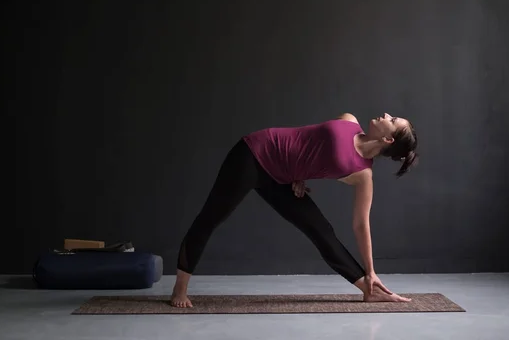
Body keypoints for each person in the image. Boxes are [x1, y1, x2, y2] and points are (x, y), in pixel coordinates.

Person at [171, 112, 418, 308]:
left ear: (388, 140)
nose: (386, 114)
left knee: (321, 230)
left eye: (393, 120)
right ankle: (179, 289)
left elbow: (361, 224)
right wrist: (299, 175)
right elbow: (308, 143)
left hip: (279, 178)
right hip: (253, 154)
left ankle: (369, 289)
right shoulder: (349, 120)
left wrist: (372, 270)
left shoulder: (363, 174)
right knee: (210, 218)